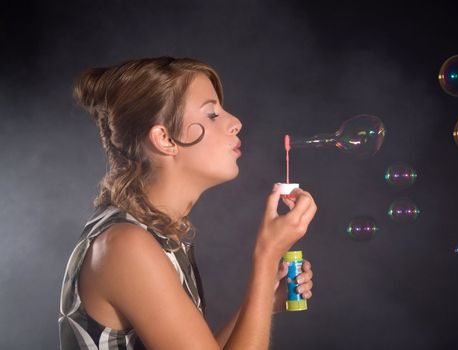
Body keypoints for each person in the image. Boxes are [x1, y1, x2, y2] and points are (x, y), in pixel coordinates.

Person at [58, 56, 317, 349]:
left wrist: (262, 303)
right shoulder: (125, 246)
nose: (235, 122)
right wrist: (268, 255)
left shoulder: (153, 235)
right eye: (212, 115)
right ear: (165, 139)